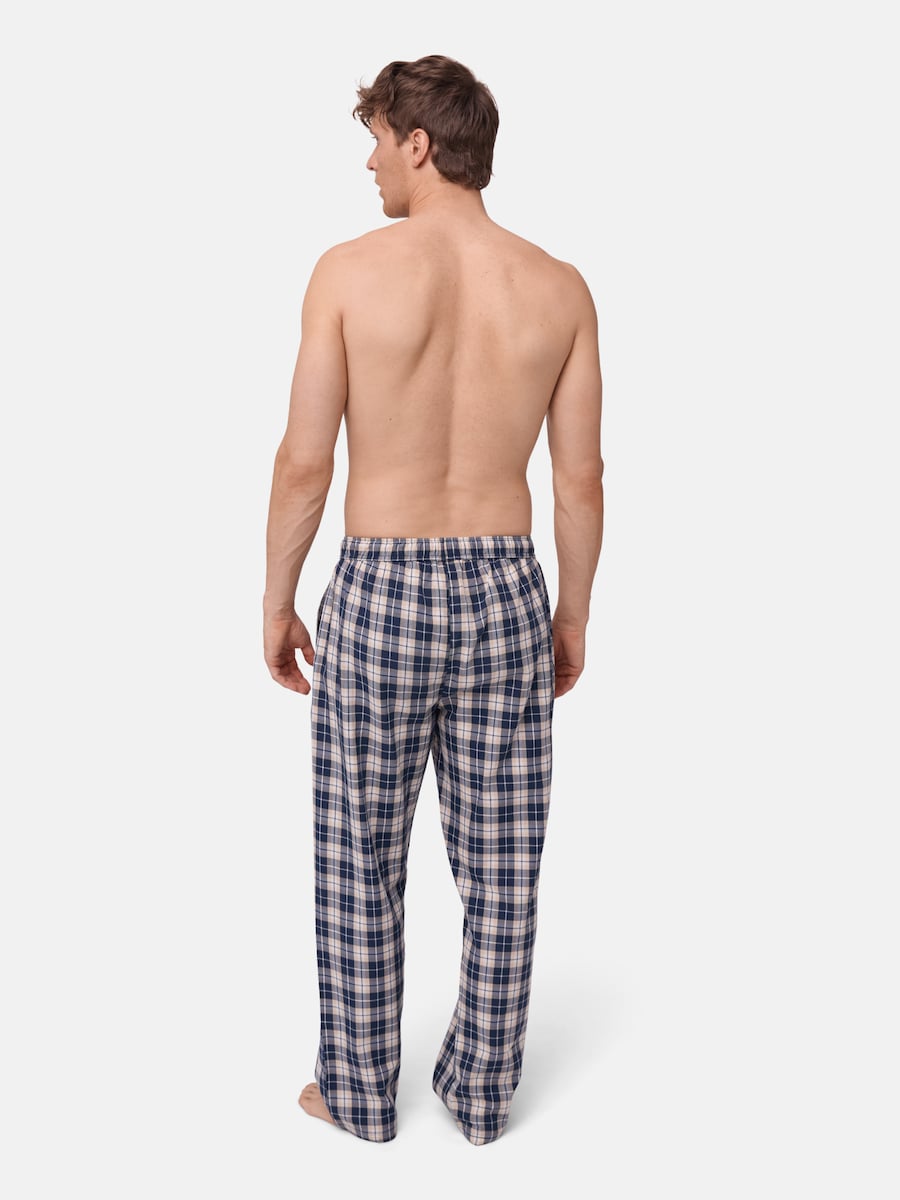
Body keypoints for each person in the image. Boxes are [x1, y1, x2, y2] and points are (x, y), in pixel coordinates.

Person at [263, 54, 604, 1146]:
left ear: (419, 143)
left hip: (380, 583)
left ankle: (359, 1093)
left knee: (358, 851)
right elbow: (582, 479)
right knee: (503, 864)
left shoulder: (349, 273)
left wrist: (277, 598)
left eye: (376, 140)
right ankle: (482, 1094)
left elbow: (304, 464)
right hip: (506, 585)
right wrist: (571, 616)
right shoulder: (558, 287)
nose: (369, 163)